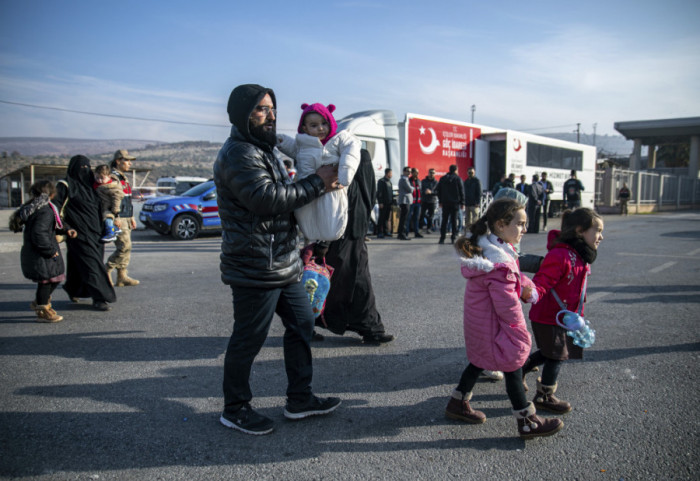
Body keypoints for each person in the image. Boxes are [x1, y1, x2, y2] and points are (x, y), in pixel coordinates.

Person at [214, 84, 341, 435]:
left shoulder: (263, 147)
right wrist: (318, 183)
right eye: (260, 109)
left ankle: (300, 398)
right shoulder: (239, 152)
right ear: (242, 115)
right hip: (255, 266)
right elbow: (267, 199)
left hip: (284, 262)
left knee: (302, 325)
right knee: (248, 339)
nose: (270, 116)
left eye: (272, 108)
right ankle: (235, 408)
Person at [444, 198, 563, 439]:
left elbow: (514, 278)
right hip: (495, 326)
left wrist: (525, 286)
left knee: (479, 361)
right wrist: (520, 335)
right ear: (500, 225)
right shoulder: (499, 263)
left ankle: (457, 403)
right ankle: (527, 421)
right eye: (519, 224)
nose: (524, 229)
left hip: (482, 324)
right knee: (513, 365)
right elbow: (508, 307)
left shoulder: (492, 250)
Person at [521, 208, 604, 415]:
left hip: (564, 317)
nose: (601, 237)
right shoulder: (561, 255)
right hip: (548, 316)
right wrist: (533, 293)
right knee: (556, 355)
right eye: (597, 231)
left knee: (550, 353)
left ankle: (519, 370)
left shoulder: (580, 255)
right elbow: (543, 281)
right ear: (579, 231)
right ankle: (544, 396)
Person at [313, 150, 394, 344]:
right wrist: (323, 242)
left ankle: (370, 327)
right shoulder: (343, 186)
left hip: (352, 242)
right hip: (338, 243)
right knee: (332, 285)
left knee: (353, 286)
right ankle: (368, 327)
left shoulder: (351, 185)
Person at [277, 103, 361, 241]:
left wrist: (346, 171)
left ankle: (324, 242)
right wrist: (281, 141)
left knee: (332, 217)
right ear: (305, 128)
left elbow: (351, 150)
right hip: (306, 191)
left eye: (324, 123)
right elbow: (293, 149)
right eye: (314, 125)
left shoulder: (338, 140)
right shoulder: (302, 144)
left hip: (332, 191)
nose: (321, 128)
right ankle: (313, 243)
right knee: (306, 218)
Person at [54, 155, 117, 311]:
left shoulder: (94, 185)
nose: (85, 171)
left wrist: (114, 218)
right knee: (92, 265)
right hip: (78, 233)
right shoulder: (65, 186)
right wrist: (66, 227)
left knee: (79, 263)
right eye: (81, 168)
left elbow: (109, 201)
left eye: (87, 167)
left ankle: (74, 289)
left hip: (97, 233)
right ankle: (100, 297)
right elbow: (55, 209)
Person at [10, 180, 77, 322]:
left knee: (53, 278)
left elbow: (54, 223)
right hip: (41, 253)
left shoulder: (39, 207)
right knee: (47, 281)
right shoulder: (45, 210)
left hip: (37, 252)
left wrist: (66, 229)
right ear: (52, 194)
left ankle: (41, 301)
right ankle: (42, 309)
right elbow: (39, 233)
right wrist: (49, 251)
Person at [105, 150, 139, 287]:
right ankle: (106, 269)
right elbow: (114, 199)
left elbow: (127, 199)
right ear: (118, 161)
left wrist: (131, 217)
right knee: (124, 246)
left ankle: (122, 276)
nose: (130, 163)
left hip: (126, 217)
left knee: (127, 247)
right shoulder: (113, 177)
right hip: (119, 218)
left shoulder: (122, 177)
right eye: (126, 160)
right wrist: (116, 216)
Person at [93, 164, 123, 243]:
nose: (99, 180)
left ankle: (111, 233)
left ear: (109, 176)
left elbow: (117, 198)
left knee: (107, 218)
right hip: (101, 207)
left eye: (102, 178)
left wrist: (115, 210)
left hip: (109, 208)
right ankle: (115, 229)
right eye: (97, 178)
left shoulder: (112, 187)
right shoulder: (97, 185)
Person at [436, 164, 464, 244]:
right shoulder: (458, 179)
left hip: (445, 203)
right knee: (454, 220)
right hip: (455, 203)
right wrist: (462, 202)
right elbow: (461, 191)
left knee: (444, 220)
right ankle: (453, 237)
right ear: (456, 170)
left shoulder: (443, 178)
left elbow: (439, 190)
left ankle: (442, 238)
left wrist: (440, 201)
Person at [397, 166, 413, 241]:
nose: (409, 172)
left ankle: (400, 233)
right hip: (405, 201)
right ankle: (402, 234)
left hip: (405, 200)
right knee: (404, 218)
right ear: (404, 172)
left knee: (403, 218)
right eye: (407, 171)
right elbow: (410, 189)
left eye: (410, 171)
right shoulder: (404, 179)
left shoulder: (405, 179)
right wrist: (413, 188)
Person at [420, 168, 438, 234]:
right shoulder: (424, 181)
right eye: (430, 172)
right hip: (424, 200)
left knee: (431, 215)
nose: (431, 174)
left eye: (433, 173)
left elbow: (438, 192)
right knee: (422, 214)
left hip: (432, 201)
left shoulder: (436, 182)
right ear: (428, 173)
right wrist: (425, 191)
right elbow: (420, 189)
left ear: (435, 174)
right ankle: (420, 227)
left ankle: (429, 228)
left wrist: (431, 192)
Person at [463, 167, 482, 231]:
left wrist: (478, 202)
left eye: (472, 172)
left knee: (475, 219)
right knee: (467, 219)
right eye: (469, 172)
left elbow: (479, 192)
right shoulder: (466, 181)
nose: (470, 174)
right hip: (467, 202)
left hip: (474, 203)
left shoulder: (477, 181)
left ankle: (475, 231)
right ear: (467, 173)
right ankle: (468, 232)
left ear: (474, 173)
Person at [376, 168, 393, 238]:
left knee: (386, 218)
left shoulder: (389, 182)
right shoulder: (381, 181)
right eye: (391, 173)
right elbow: (379, 193)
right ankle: (379, 232)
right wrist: (380, 202)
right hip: (383, 203)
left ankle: (386, 231)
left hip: (389, 203)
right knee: (381, 218)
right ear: (388, 173)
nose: (392, 175)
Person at [406, 167, 423, 238]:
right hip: (411, 202)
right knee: (408, 217)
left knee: (416, 218)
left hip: (418, 203)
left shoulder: (419, 181)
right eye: (416, 172)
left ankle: (416, 232)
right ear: (412, 173)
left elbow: (420, 191)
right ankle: (406, 232)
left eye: (418, 172)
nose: (417, 174)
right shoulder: (409, 180)